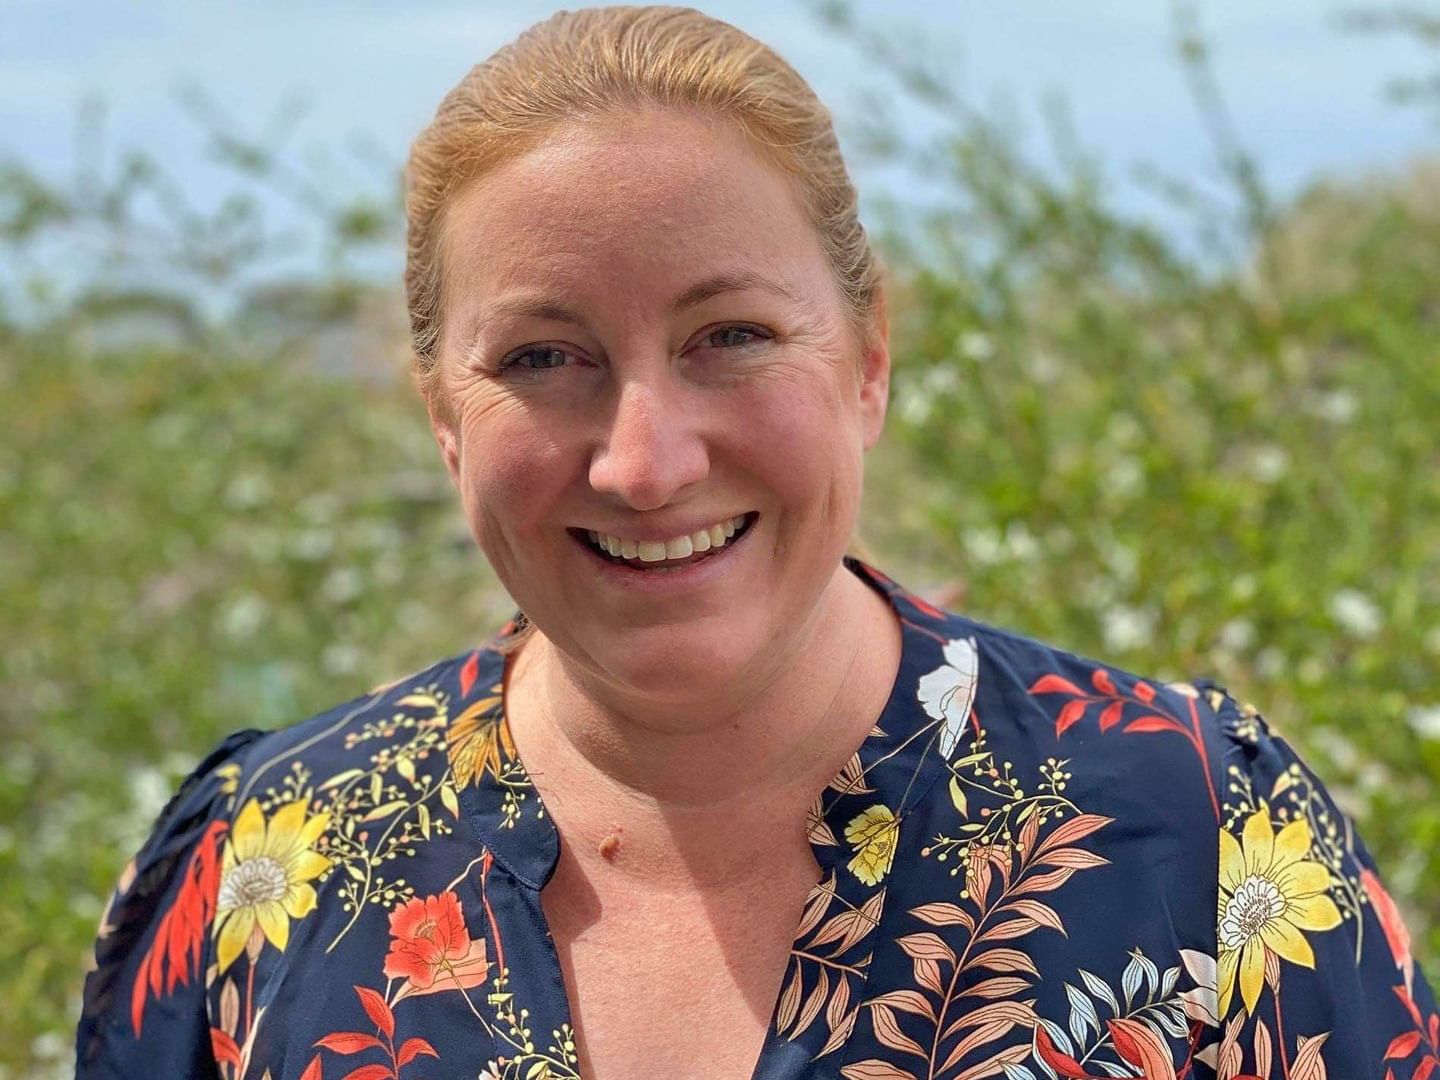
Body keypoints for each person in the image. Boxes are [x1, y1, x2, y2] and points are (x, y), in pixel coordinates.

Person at [76, 7, 1437, 1080]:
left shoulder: (1199, 845)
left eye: (730, 337)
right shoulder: (267, 868)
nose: (644, 459)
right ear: (442, 411)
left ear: (870, 356)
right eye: (545, 357)